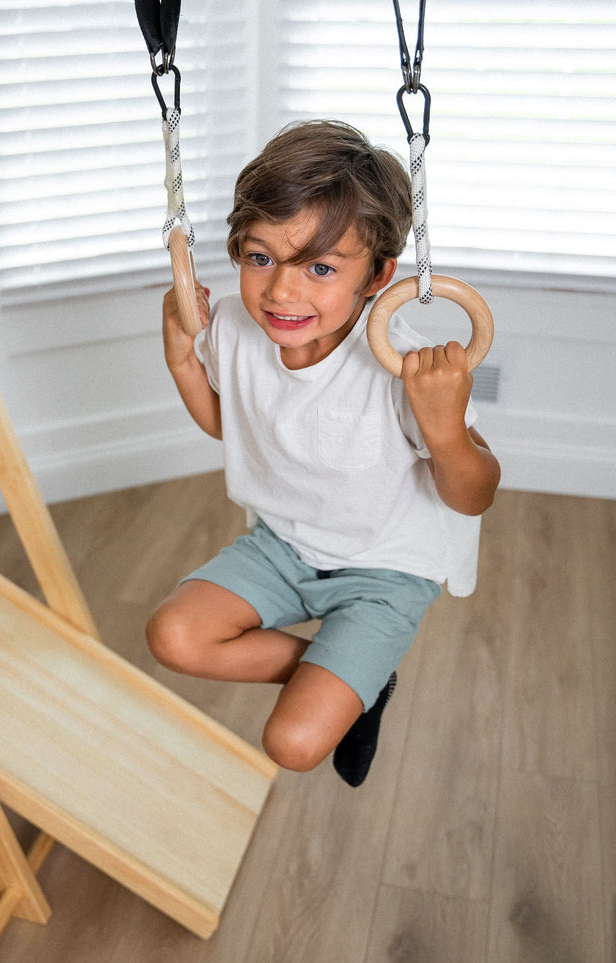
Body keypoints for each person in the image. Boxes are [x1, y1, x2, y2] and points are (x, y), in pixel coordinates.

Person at [146, 120, 500, 787]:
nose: (280, 292)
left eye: (319, 267)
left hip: (384, 567)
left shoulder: (402, 366)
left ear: (378, 274)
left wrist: (446, 428)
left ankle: (354, 674)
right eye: (259, 258)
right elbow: (231, 425)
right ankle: (348, 671)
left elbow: (473, 493)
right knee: (173, 636)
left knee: (293, 742)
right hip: (282, 544)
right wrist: (179, 357)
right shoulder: (234, 331)